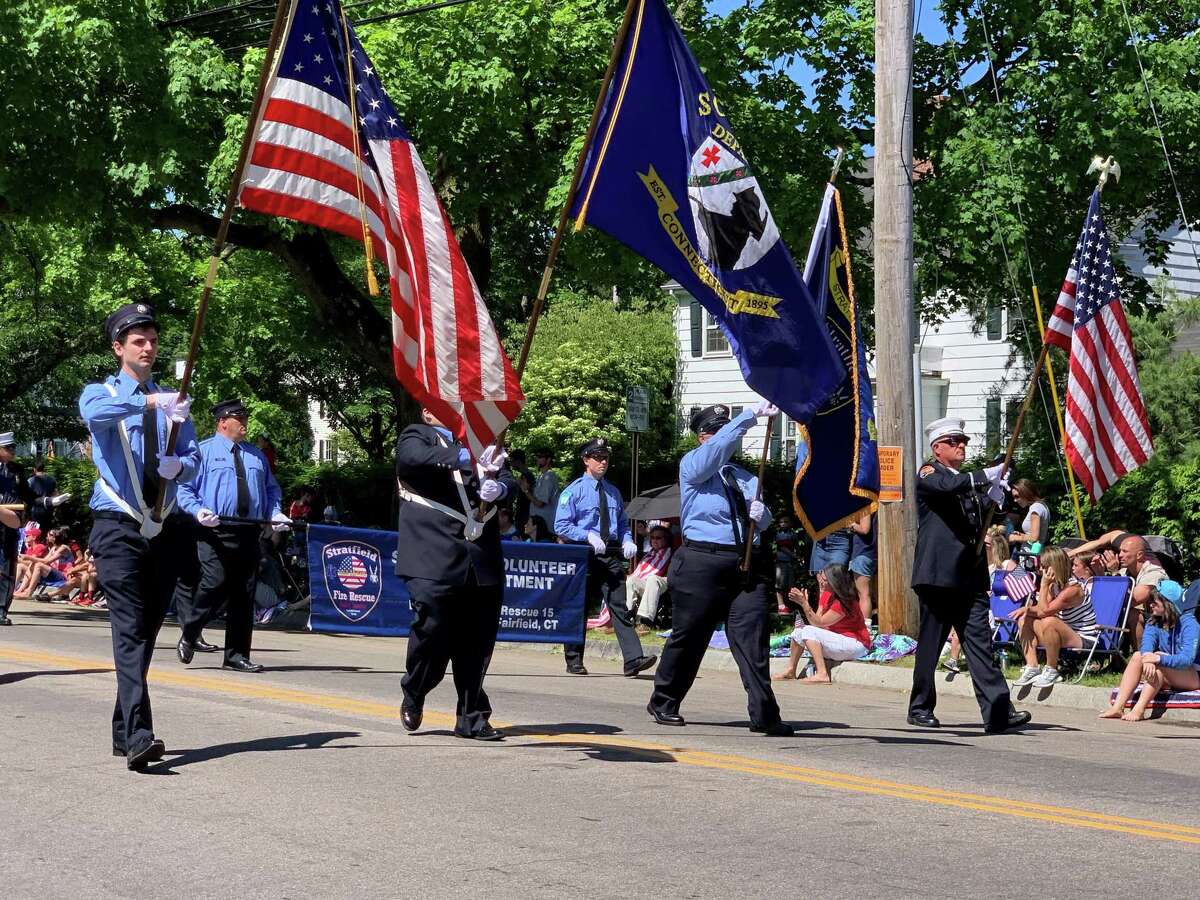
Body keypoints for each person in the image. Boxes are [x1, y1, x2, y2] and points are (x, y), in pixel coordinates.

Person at [79, 301, 201, 770]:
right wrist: (152, 401)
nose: (148, 347)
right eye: (137, 341)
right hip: (117, 525)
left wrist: (180, 464)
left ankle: (121, 728)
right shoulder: (102, 392)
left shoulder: (175, 402)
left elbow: (191, 458)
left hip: (163, 524)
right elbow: (96, 416)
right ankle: (140, 737)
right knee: (128, 627)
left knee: (147, 632)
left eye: (152, 340)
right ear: (118, 348)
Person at [648, 402, 793, 736]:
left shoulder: (741, 476)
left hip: (745, 565)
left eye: (726, 431)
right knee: (691, 636)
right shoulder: (694, 467)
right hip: (702, 562)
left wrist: (762, 514)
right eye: (717, 432)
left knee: (753, 640)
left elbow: (763, 519)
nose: (727, 439)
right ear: (703, 438)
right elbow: (719, 448)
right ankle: (664, 700)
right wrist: (748, 418)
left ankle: (765, 714)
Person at [394, 408, 515, 740]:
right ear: (426, 411)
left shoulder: (483, 443)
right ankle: (415, 688)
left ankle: (470, 716)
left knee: (477, 641)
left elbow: (509, 477)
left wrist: (500, 490)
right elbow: (412, 458)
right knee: (432, 627)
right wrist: (467, 456)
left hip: (480, 556)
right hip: (432, 554)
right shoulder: (417, 435)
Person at [907, 416, 1030, 733]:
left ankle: (998, 711)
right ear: (937, 448)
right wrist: (985, 475)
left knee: (980, 645)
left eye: (963, 441)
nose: (961, 446)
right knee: (932, 645)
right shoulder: (929, 474)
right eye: (954, 442)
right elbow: (947, 487)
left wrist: (997, 497)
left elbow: (985, 514)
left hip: (970, 576)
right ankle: (920, 706)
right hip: (938, 576)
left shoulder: (967, 483)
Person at [175, 398, 290, 673]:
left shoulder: (255, 455)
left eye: (246, 419)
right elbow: (183, 490)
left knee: (243, 592)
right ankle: (190, 631)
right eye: (240, 420)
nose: (245, 425)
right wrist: (198, 510)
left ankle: (236, 654)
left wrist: (275, 512)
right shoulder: (202, 452)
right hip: (214, 527)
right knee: (215, 581)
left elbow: (271, 489)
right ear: (223, 422)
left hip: (248, 529)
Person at [554, 438, 657, 677]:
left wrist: (628, 540)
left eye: (605, 458)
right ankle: (574, 659)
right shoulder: (573, 491)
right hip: (582, 553)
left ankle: (633, 659)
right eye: (598, 458)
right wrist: (586, 535)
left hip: (609, 553)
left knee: (619, 605)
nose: (603, 462)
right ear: (586, 460)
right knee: (578, 606)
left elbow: (621, 523)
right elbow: (561, 525)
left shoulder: (613, 492)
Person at [1100, 581, 1198, 722]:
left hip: (1192, 675)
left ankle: (1139, 710)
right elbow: (1146, 645)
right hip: (1168, 673)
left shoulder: (1189, 624)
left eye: (1155, 602)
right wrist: (1148, 658)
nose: (1150, 605)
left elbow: (1187, 659)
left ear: (1168, 604)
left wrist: (1158, 659)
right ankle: (1118, 707)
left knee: (1158, 658)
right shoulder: (1154, 621)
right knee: (1137, 655)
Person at [1009, 546, 1099, 688]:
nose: (1041, 570)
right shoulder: (1055, 586)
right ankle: (1032, 667)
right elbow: (1040, 609)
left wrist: (1044, 584)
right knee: (1024, 619)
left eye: (1044, 567)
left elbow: (1045, 612)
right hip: (1063, 633)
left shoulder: (1073, 590)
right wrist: (1026, 610)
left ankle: (1051, 670)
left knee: (1049, 621)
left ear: (1054, 567)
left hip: (1083, 639)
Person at [775, 564, 871, 683]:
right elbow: (817, 621)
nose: (821, 581)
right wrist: (818, 595)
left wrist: (805, 604)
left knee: (808, 631)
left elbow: (819, 623)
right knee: (799, 631)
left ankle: (822, 674)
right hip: (840, 641)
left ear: (835, 581)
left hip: (856, 645)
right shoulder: (827, 593)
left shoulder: (845, 602)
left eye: (825, 579)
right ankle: (791, 670)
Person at [0, 431, 36, 625]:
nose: (13, 451)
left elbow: (28, 494)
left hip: (9, 520)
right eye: (8, 448)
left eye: (13, 448)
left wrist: (47, 501)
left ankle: (1, 610)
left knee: (7, 566)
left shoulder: (17, 470)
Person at [626, 524, 673, 627]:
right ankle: (627, 615)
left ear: (666, 539)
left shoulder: (671, 552)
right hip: (648, 582)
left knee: (653, 579)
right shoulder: (649, 554)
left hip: (665, 581)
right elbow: (640, 572)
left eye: (658, 538)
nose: (654, 540)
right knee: (631, 580)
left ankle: (644, 621)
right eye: (652, 537)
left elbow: (663, 571)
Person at [848, 509, 877, 630]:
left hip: (863, 553)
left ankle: (865, 629)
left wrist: (852, 525)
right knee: (866, 593)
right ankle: (865, 627)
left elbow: (865, 529)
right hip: (869, 554)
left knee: (864, 594)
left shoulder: (865, 506)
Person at [1006, 479, 1048, 555]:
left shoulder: (1035, 508)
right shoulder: (1041, 506)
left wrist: (1014, 537)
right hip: (1033, 554)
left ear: (1025, 493)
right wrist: (1021, 535)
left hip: (1031, 556)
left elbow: (1034, 538)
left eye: (1017, 496)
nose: (1015, 500)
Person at [528, 448, 560, 542]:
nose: (537, 459)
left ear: (548, 459)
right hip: (538, 529)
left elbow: (540, 503)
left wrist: (525, 491)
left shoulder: (549, 476)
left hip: (545, 529)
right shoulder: (541, 475)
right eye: (537, 456)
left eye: (540, 457)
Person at [774, 515, 799, 614]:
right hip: (781, 562)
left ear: (790, 523)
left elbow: (796, 546)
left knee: (790, 585)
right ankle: (781, 605)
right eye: (781, 522)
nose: (783, 524)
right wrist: (794, 555)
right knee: (780, 584)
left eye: (785, 521)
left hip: (790, 562)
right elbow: (782, 547)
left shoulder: (793, 534)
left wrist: (797, 556)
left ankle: (788, 605)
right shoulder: (779, 534)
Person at [508, 448, 534, 536]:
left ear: (518, 461)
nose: (510, 464)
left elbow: (529, 495)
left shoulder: (527, 475)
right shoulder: (525, 474)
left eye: (511, 461)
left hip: (524, 514)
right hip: (522, 513)